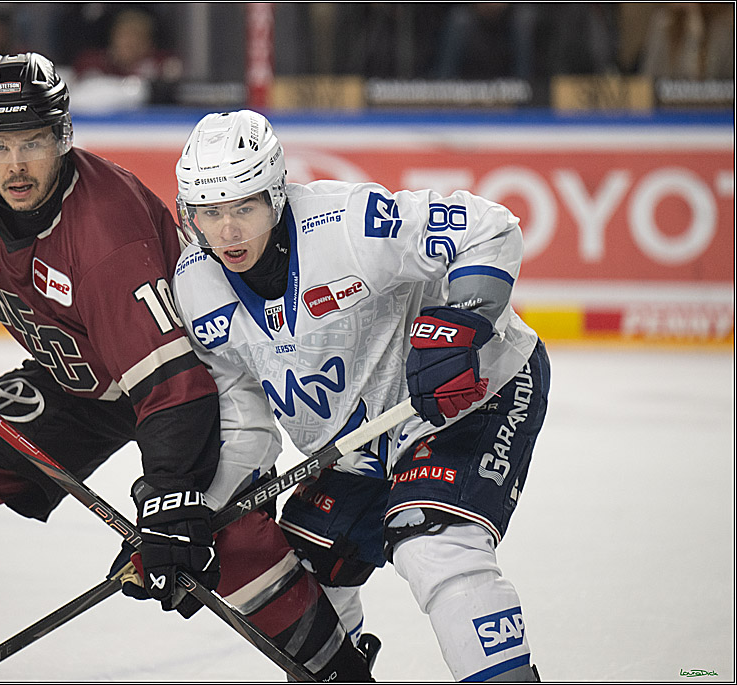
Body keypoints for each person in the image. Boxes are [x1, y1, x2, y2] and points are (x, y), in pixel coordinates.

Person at [0, 53, 373, 681]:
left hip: (192, 380)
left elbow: (174, 388)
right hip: (76, 379)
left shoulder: (107, 234)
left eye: (33, 142)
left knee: (218, 535)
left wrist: (171, 506)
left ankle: (339, 671)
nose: (15, 165)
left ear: (62, 138)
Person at [170, 110, 551, 682]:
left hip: (474, 392)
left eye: (244, 207)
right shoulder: (195, 290)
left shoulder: (347, 223)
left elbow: (487, 226)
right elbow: (246, 423)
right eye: (210, 212)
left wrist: (462, 321)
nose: (228, 232)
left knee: (432, 541)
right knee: (295, 574)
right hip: (363, 443)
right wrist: (195, 516)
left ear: (276, 195)